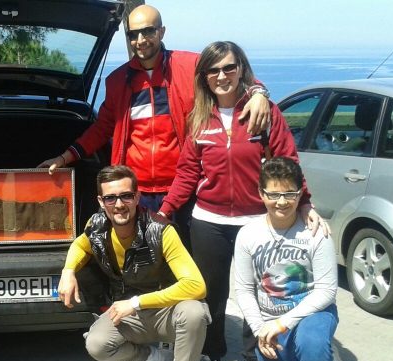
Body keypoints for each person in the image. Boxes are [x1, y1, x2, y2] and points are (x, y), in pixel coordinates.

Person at [156, 41, 328, 361]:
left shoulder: (264, 113)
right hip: (208, 220)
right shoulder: (199, 120)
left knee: (261, 291)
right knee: (211, 294)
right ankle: (211, 356)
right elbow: (188, 172)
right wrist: (165, 211)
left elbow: (288, 162)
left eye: (229, 68)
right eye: (214, 70)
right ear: (204, 77)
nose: (222, 76)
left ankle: (254, 357)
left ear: (241, 70)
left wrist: (305, 203)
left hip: (256, 221)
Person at [38, 5, 270, 243]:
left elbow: (230, 73)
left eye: (147, 31)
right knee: (144, 264)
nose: (140, 40)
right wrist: (64, 158)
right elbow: (101, 128)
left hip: (186, 189)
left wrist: (259, 92)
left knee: (189, 263)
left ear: (162, 32)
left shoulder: (190, 66)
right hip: (137, 194)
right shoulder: (118, 81)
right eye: (133, 34)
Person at [57, 165, 209, 361]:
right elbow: (81, 244)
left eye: (126, 196)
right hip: (128, 313)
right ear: (101, 202)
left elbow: (196, 285)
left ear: (138, 198)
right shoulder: (96, 225)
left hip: (164, 311)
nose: (119, 205)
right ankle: (149, 358)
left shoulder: (161, 230)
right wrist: (68, 271)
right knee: (97, 345)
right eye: (110, 198)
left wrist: (137, 302)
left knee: (195, 312)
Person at [233, 157, 338, 361]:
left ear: (299, 193)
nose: (282, 201)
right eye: (274, 194)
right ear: (261, 193)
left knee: (311, 340)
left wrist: (282, 323)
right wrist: (259, 330)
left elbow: (327, 291)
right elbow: (243, 290)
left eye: (290, 194)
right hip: (270, 320)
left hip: (311, 313)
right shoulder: (247, 235)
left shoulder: (316, 232)